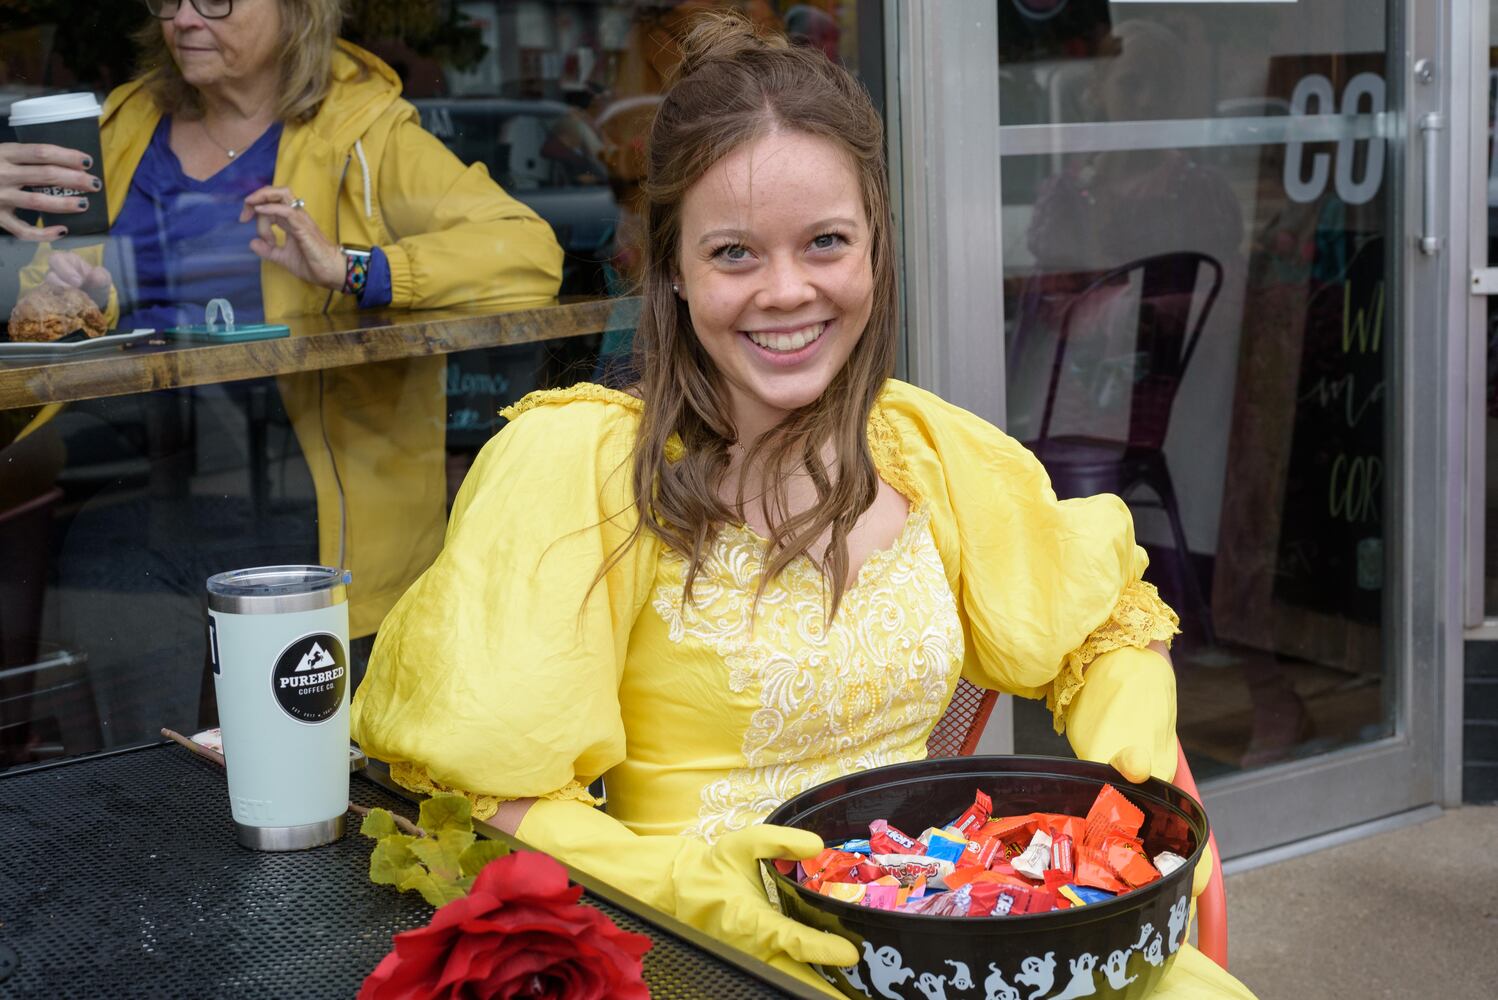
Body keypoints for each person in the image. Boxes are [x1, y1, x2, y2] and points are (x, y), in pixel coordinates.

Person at [352, 14, 1256, 998]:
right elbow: (485, 793)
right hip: (702, 957)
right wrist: (679, 892)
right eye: (735, 253)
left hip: (949, 931)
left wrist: (1134, 758)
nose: (787, 292)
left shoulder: (924, 448)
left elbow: (1099, 622)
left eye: (825, 242)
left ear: (874, 248)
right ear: (672, 269)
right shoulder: (580, 469)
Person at [0, 0, 563, 710]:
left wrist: (351, 269)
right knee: (143, 754)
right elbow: (51, 293)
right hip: (128, 495)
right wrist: (84, 296)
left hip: (301, 509)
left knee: (300, 760)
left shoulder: (364, 130)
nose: (184, 19)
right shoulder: (122, 124)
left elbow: (526, 251)